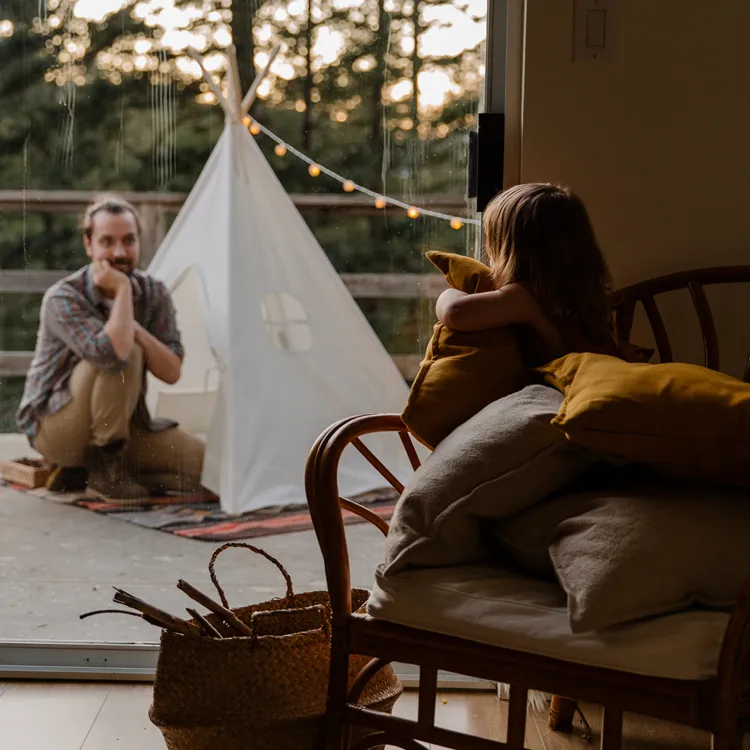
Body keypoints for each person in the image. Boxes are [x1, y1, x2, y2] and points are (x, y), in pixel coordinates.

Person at [16, 195, 205, 501]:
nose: (119, 252)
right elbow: (110, 353)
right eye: (107, 241)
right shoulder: (63, 297)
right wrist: (122, 291)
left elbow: (171, 372)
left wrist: (130, 310)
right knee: (125, 349)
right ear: (88, 245)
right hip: (56, 428)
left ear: (139, 243)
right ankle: (103, 473)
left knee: (207, 469)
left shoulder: (154, 292)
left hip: (126, 426)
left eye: (128, 240)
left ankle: (96, 470)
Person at [436, 182, 618, 367]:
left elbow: (455, 313)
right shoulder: (585, 294)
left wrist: (449, 293)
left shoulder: (524, 296)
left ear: (511, 250)